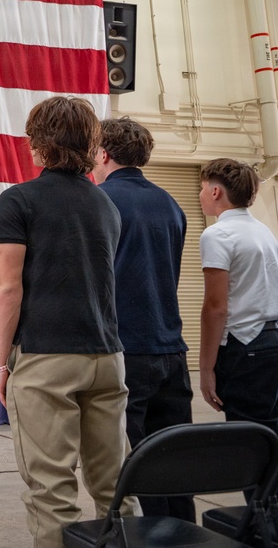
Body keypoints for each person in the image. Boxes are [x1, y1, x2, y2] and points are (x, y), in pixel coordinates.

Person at [0, 96, 135, 547]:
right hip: (108, 358)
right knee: (115, 490)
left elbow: (9, 287)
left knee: (52, 492)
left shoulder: (18, 200)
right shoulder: (106, 206)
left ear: (42, 144)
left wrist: (0, 364)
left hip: (47, 358)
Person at [92, 117, 193, 522]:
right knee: (177, 465)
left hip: (127, 348)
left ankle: (150, 535)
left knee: (134, 465)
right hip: (171, 347)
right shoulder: (171, 203)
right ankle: (186, 536)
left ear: (103, 154)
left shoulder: (101, 201)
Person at [198, 158, 278, 433]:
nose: (201, 195)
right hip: (271, 339)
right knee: (269, 431)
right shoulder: (264, 232)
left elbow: (216, 307)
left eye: (202, 188)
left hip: (245, 347)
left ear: (215, 192)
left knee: (247, 435)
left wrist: (206, 369)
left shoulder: (217, 234)